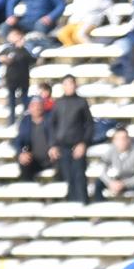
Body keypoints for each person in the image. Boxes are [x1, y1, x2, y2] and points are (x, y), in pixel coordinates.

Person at [50, 75, 93, 204]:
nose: (70, 86)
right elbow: (52, 125)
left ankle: (82, 205)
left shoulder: (81, 102)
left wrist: (84, 143)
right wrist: (53, 144)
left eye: (72, 83)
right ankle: (71, 206)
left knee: (79, 176)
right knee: (68, 177)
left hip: (77, 145)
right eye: (67, 84)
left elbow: (89, 125)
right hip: (62, 146)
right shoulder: (58, 103)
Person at [94, 127, 134, 201]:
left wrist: (125, 184)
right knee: (98, 184)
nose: (122, 141)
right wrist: (110, 183)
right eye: (118, 139)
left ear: (129, 140)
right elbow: (102, 169)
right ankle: (100, 207)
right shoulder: (110, 151)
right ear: (114, 141)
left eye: (124, 138)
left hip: (131, 181)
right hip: (115, 181)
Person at [13, 97, 54, 181]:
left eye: (39, 105)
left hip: (52, 159)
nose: (37, 108)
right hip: (34, 161)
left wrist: (55, 147)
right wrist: (21, 153)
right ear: (29, 108)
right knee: (24, 163)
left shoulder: (51, 119)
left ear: (43, 106)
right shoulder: (25, 122)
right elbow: (18, 141)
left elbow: (59, 136)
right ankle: (27, 192)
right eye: (33, 106)